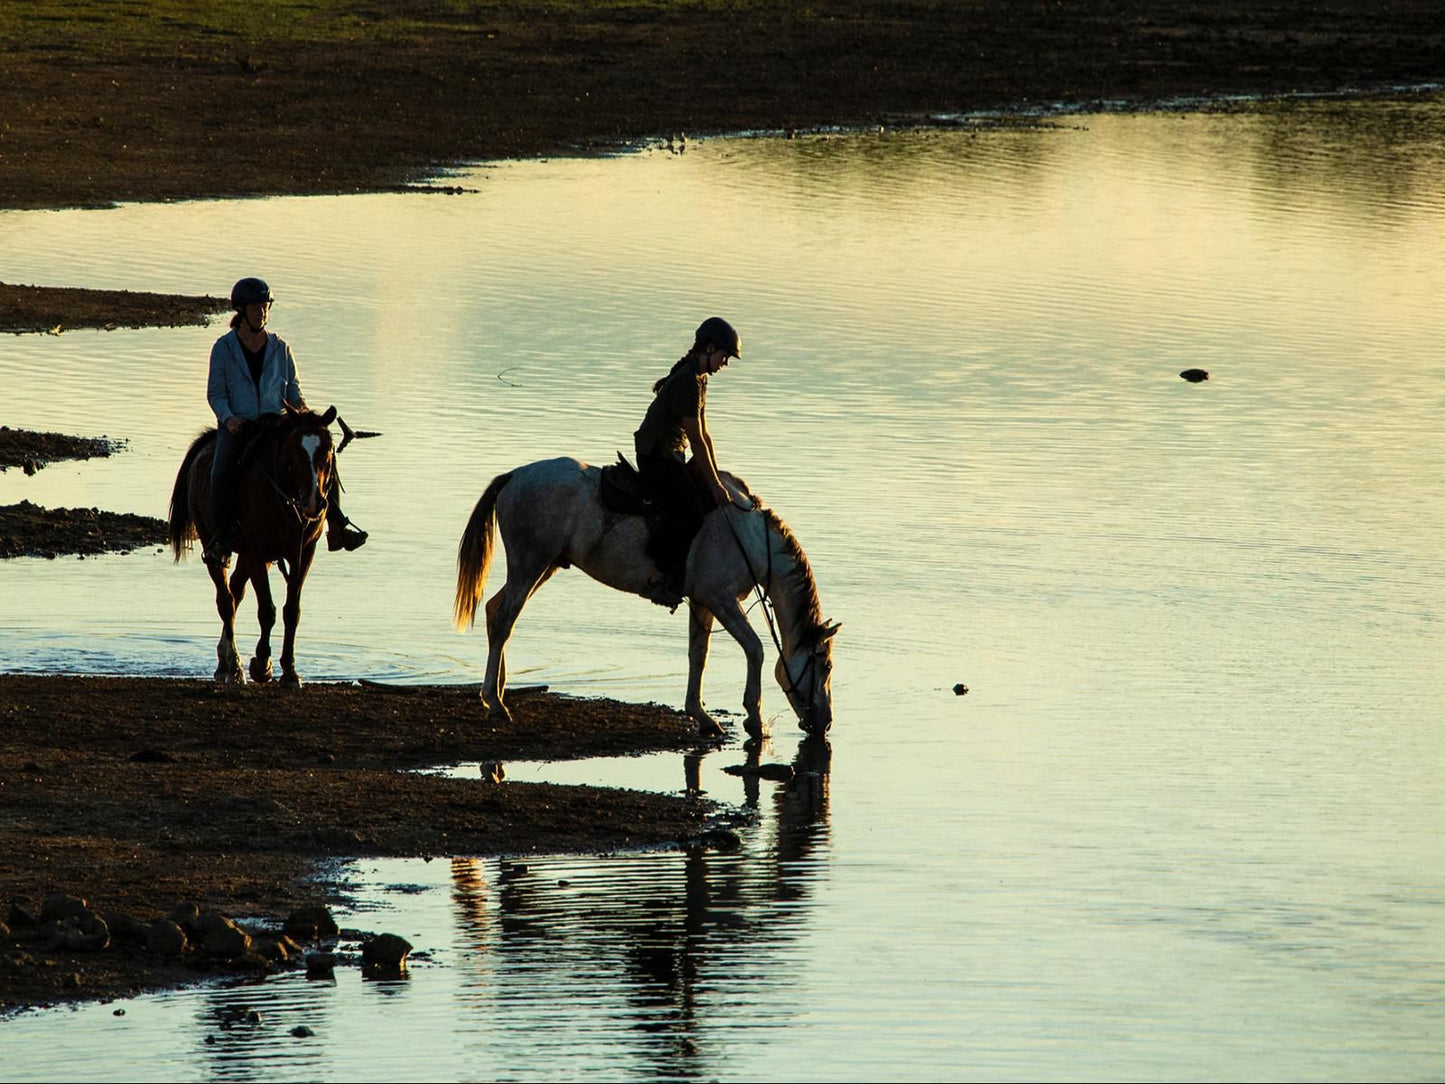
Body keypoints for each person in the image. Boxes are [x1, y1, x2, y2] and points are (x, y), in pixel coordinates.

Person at [202, 277, 367, 565]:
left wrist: (301, 411)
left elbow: (294, 390)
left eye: (265, 308)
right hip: (239, 426)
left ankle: (337, 527)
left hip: (277, 423)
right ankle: (221, 539)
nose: (262, 313)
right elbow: (216, 394)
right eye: (256, 308)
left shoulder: (281, 348)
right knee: (220, 472)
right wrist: (228, 419)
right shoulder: (223, 349)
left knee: (323, 455)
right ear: (241, 312)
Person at [633, 316, 750, 606]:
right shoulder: (687, 381)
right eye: (725, 356)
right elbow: (695, 440)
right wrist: (714, 487)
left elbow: (704, 436)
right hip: (657, 455)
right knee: (691, 516)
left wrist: (713, 476)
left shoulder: (699, 379)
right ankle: (658, 577)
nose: (725, 363)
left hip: (672, 453)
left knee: (698, 496)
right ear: (709, 349)